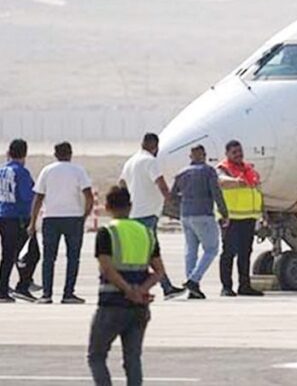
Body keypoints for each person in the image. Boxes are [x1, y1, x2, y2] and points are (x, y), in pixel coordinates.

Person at [87, 186, 166, 386]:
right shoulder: (146, 232)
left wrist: (127, 290)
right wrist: (141, 290)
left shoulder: (107, 232)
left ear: (107, 207)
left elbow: (107, 268)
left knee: (96, 356)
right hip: (139, 306)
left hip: (111, 304)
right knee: (132, 359)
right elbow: (159, 271)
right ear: (130, 206)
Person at [119, 133, 185, 300]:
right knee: (149, 253)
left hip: (134, 213)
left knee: (146, 253)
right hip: (147, 214)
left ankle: (164, 287)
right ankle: (156, 287)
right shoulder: (150, 161)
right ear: (155, 146)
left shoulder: (130, 162)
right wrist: (171, 200)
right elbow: (160, 183)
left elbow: (121, 185)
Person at [30, 141, 93, 304]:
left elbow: (38, 198)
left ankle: (47, 294)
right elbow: (89, 195)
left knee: (48, 258)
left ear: (55, 154)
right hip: (73, 218)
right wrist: (84, 215)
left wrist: (33, 222)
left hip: (51, 218)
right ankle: (68, 294)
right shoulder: (78, 170)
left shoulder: (47, 170)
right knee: (73, 258)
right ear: (70, 154)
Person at [169, 144, 227, 300]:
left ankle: (192, 288)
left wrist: (184, 202)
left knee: (191, 251)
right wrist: (224, 213)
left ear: (190, 156)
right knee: (211, 249)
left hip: (186, 215)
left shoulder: (181, 173)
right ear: (204, 155)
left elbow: (172, 196)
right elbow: (216, 193)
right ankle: (193, 281)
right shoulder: (208, 171)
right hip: (203, 214)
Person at [217, 140, 264, 297]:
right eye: (234, 152)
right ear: (227, 154)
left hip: (249, 217)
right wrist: (236, 182)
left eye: (240, 151)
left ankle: (244, 285)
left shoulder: (249, 169)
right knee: (229, 253)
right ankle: (226, 287)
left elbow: (258, 191)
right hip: (231, 218)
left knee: (245, 253)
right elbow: (220, 181)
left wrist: (263, 213)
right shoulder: (224, 168)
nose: (238, 154)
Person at [0, 139, 39, 303]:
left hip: (3, 215)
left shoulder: (2, 170)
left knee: (8, 254)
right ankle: (22, 285)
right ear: (25, 154)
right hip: (18, 217)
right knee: (32, 253)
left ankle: (3, 288)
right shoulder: (22, 172)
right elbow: (26, 196)